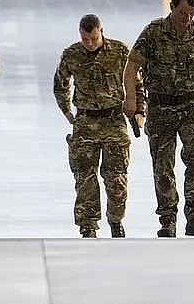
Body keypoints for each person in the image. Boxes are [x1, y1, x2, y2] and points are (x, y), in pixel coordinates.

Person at [123, 0, 194, 238]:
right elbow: (132, 64)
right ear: (172, 8)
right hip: (161, 107)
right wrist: (132, 99)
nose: (186, 18)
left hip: (191, 105)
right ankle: (168, 219)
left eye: (191, 13)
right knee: (163, 164)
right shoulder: (154, 32)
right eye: (182, 13)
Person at [54, 14, 145, 238]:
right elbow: (60, 84)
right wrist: (67, 111)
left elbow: (138, 82)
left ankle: (115, 220)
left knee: (116, 178)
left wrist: (140, 110)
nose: (90, 44)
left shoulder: (120, 52)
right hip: (85, 122)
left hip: (114, 120)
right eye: (86, 39)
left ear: (101, 31)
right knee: (85, 179)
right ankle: (88, 226)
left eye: (94, 38)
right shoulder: (72, 55)